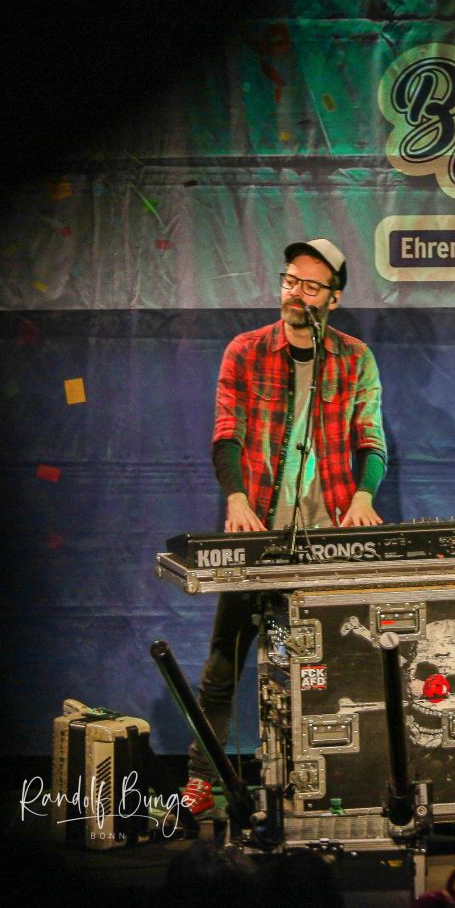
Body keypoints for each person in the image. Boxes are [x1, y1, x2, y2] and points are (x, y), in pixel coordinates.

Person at [180, 238, 387, 818]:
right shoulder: (246, 351)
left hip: (326, 538)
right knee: (224, 666)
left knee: (325, 670)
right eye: (290, 280)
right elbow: (227, 432)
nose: (296, 292)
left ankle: (322, 779)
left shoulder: (355, 358)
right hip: (258, 535)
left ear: (333, 299)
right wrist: (236, 499)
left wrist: (364, 496)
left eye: (310, 285)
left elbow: (371, 438)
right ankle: (201, 781)